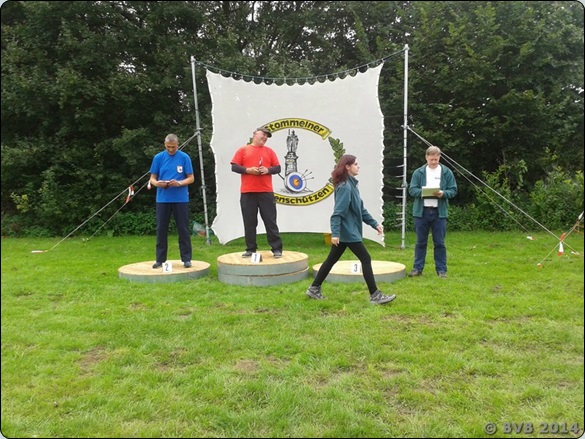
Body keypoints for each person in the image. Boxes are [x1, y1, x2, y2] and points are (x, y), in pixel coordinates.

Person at [305, 154, 396, 305]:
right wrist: (335, 233)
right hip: (348, 232)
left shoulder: (352, 185)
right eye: (356, 164)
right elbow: (337, 213)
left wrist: (374, 224)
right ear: (347, 167)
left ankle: (314, 288)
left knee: (331, 259)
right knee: (365, 259)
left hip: (346, 232)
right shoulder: (345, 187)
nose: (358, 166)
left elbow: (361, 210)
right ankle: (375, 295)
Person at [230, 127, 283, 258]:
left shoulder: (269, 151)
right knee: (249, 222)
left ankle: (276, 249)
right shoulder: (243, 150)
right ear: (255, 134)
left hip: (266, 191)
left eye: (267, 136)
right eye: (263, 134)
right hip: (248, 192)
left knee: (270, 221)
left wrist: (268, 170)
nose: (265, 137)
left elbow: (278, 168)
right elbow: (234, 166)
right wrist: (248, 170)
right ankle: (250, 249)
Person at [407, 145, 457, 278]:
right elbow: (412, 190)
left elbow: (453, 190)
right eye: (431, 159)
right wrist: (424, 192)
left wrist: (443, 193)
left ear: (439, 157)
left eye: (436, 159)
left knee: (439, 243)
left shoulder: (446, 172)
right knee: (420, 242)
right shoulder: (418, 172)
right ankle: (417, 268)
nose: (434, 162)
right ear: (426, 158)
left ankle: (441, 270)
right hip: (421, 212)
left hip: (439, 213)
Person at [149, 133, 195, 269]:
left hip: (181, 199)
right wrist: (158, 184)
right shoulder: (158, 158)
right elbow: (152, 178)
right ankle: (160, 259)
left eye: (173, 147)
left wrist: (179, 183)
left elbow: (191, 178)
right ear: (164, 144)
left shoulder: (184, 157)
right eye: (168, 147)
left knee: (183, 229)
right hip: (163, 199)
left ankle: (186, 259)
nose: (171, 149)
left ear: (177, 145)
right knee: (161, 229)